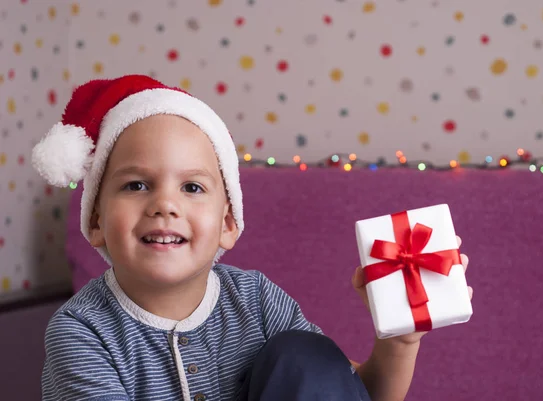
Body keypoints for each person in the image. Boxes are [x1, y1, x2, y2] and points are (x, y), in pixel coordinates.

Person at [32, 75, 473, 401]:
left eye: (192, 188)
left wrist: (398, 339)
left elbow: (351, 394)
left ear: (228, 224)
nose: (165, 205)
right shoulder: (82, 332)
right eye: (136, 185)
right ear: (94, 220)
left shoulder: (256, 301)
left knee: (305, 356)